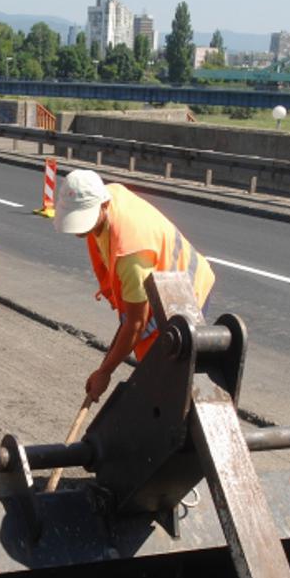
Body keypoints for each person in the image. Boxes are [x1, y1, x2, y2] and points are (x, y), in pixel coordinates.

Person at [52, 169, 216, 404]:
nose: (79, 229)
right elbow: (132, 319)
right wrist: (104, 369)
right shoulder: (107, 199)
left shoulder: (131, 255)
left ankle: (178, 423)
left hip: (187, 292)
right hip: (158, 286)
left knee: (168, 380)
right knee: (157, 376)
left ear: (103, 205)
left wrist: (105, 372)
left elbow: (136, 324)